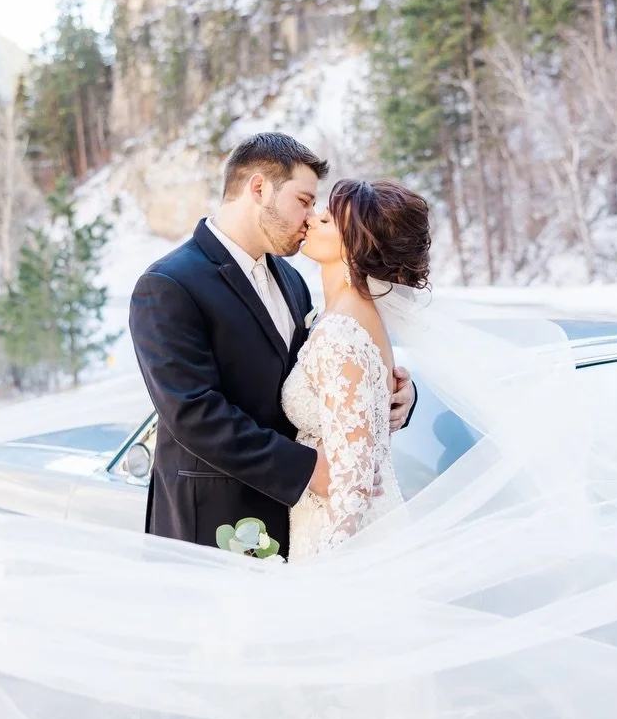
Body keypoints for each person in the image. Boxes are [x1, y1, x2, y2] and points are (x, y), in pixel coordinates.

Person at [127, 132, 417, 560]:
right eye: (303, 200)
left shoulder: (292, 281)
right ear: (259, 188)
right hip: (214, 525)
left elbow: (322, 381)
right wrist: (307, 470)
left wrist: (394, 396)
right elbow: (193, 412)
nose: (310, 217)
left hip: (299, 524)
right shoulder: (169, 285)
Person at [285, 178, 430, 560]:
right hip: (335, 522)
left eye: (327, 220)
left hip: (339, 539)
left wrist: (327, 573)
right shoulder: (352, 318)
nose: (312, 219)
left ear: (355, 247)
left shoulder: (340, 332)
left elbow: (353, 483)